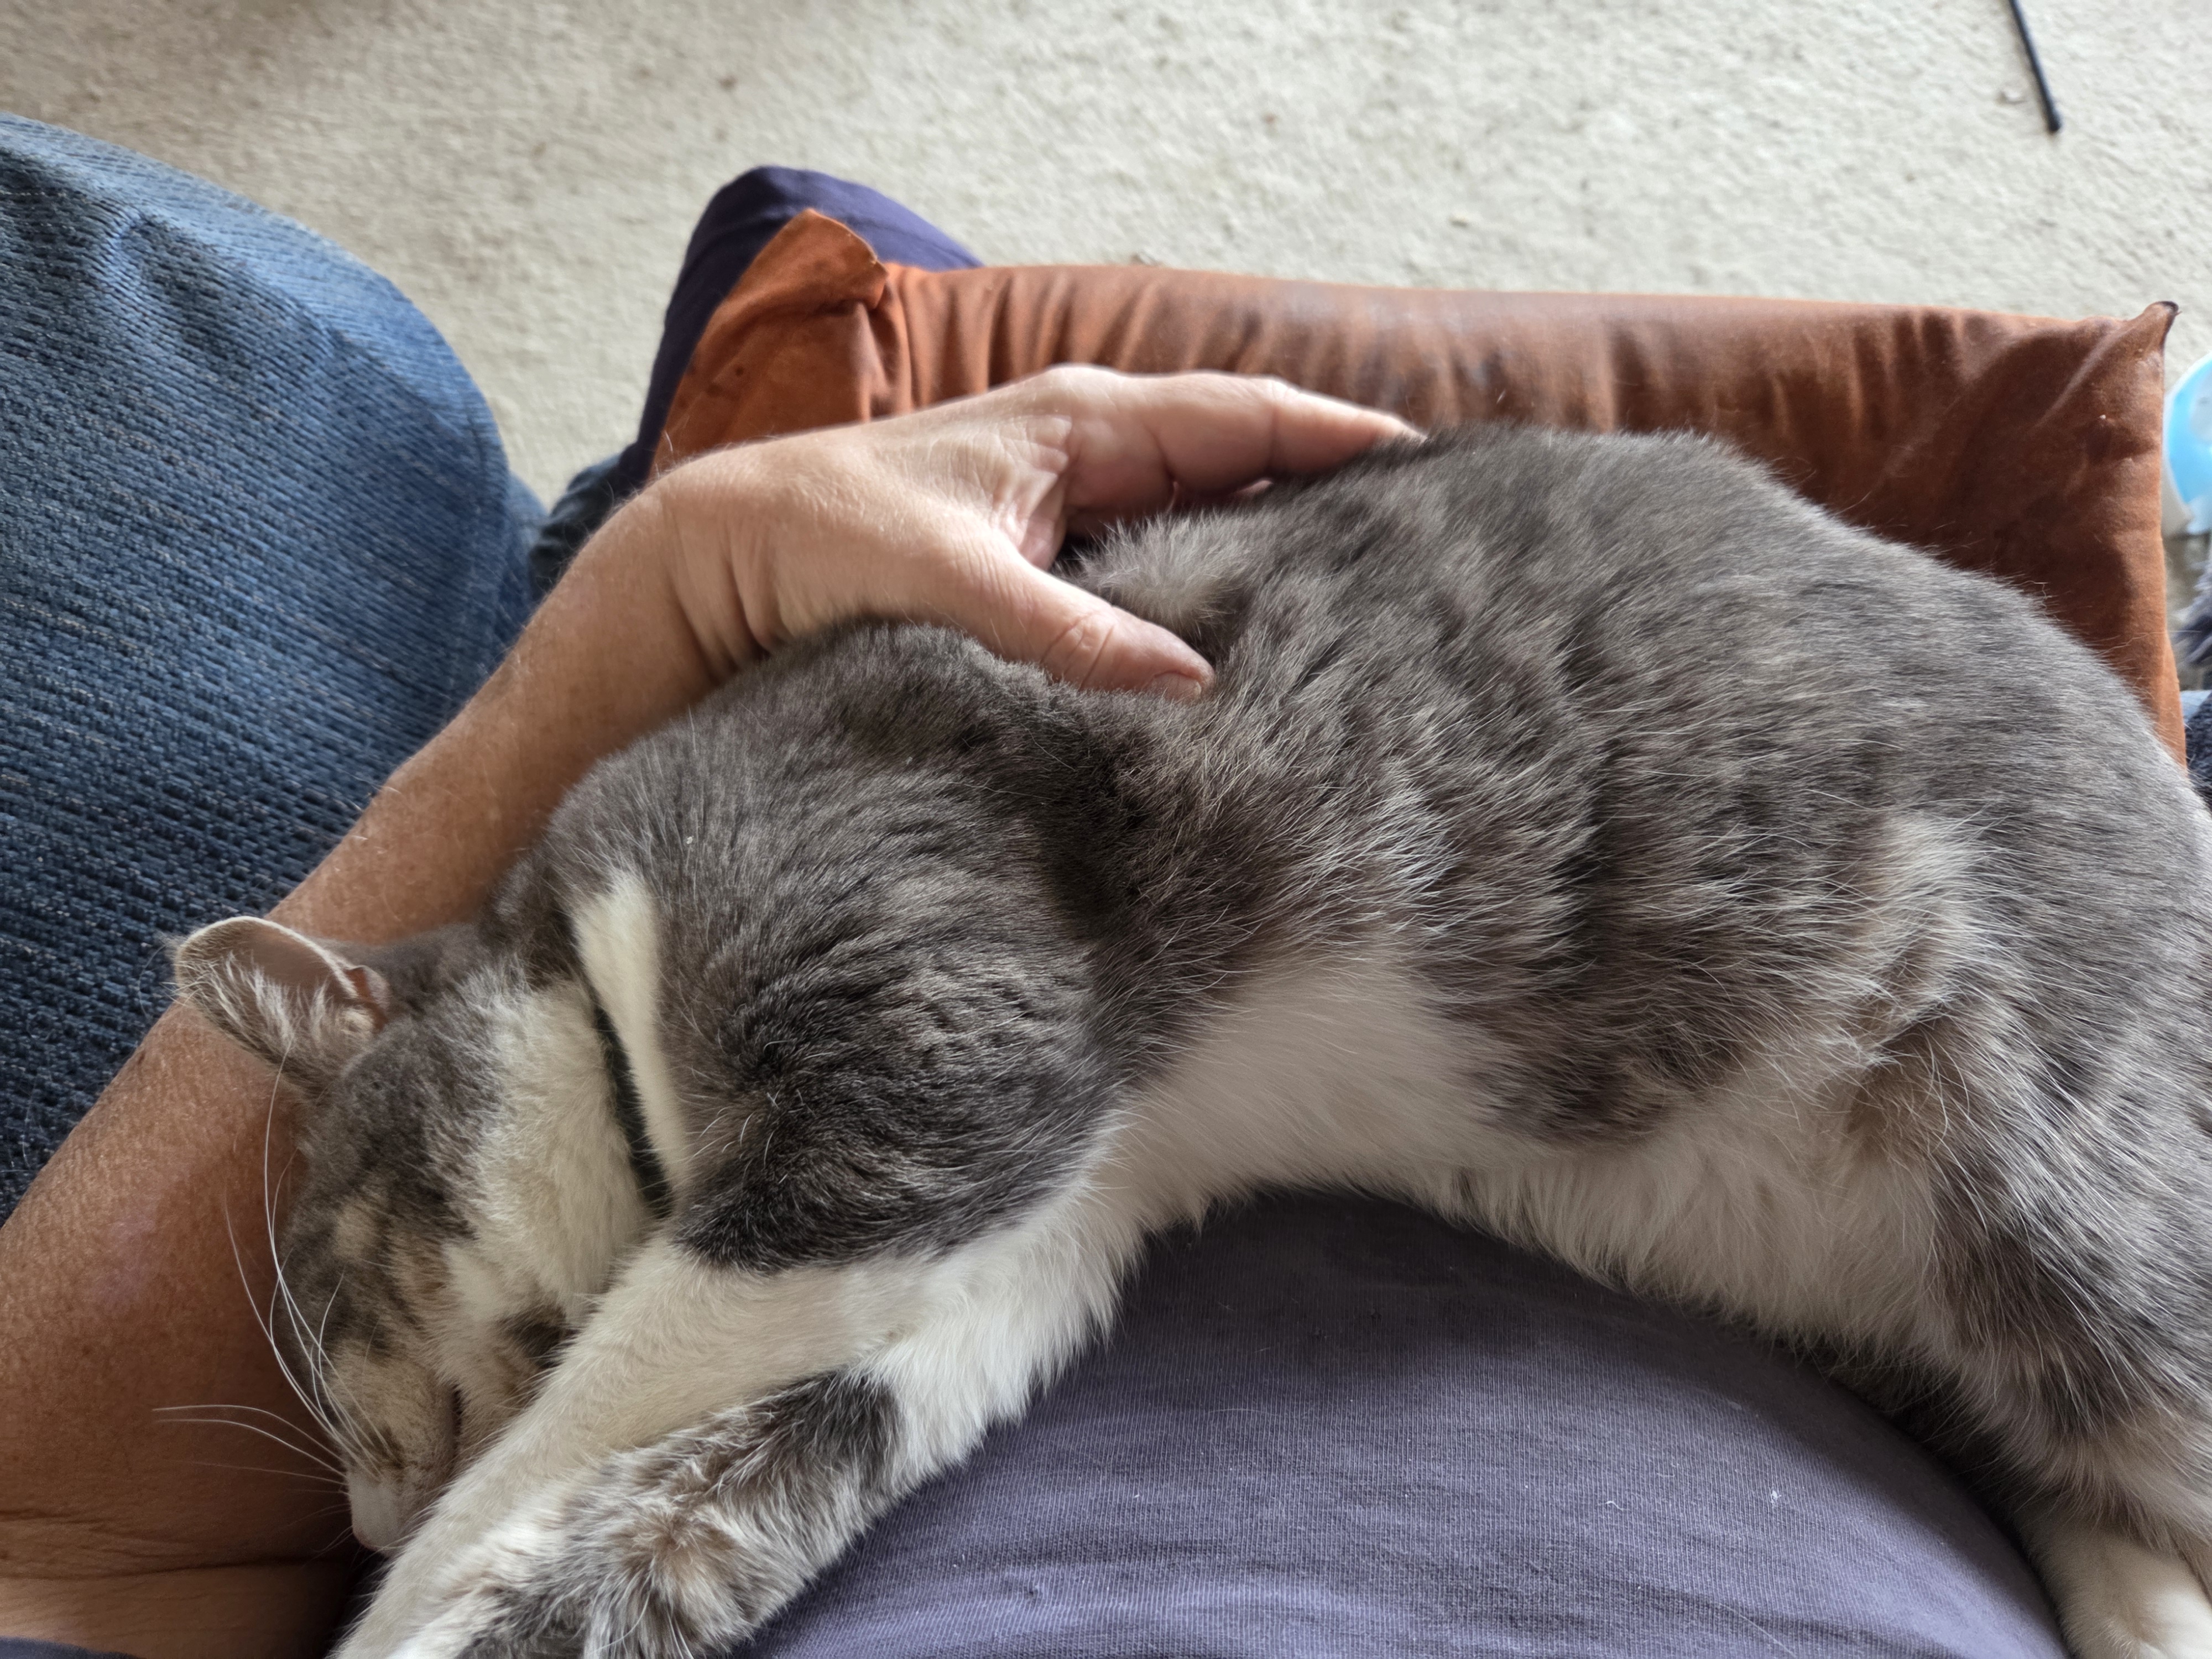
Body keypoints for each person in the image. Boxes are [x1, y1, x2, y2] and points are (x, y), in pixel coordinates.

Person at [0, 123, 2067, 1659]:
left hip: (1789, 871)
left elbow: (55, 1547)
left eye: (378, 1446)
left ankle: (761, 405)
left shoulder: (689, 949)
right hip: (1781, 1205)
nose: (384, 1506)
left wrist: (671, 586)